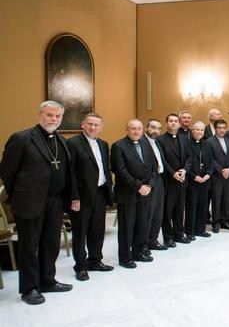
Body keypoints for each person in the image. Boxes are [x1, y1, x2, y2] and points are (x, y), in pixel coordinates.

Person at [0, 100, 75, 305]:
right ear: (40, 115)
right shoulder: (22, 138)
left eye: (57, 116)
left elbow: (67, 172)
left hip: (55, 201)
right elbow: (7, 172)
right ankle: (29, 288)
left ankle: (47, 280)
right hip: (29, 201)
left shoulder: (61, 140)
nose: (54, 119)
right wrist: (19, 195)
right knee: (29, 246)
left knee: (50, 244)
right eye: (50, 115)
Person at [66, 113, 114, 282]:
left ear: (101, 127)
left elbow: (105, 169)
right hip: (82, 196)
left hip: (100, 192)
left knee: (97, 230)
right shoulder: (72, 143)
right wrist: (74, 198)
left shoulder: (103, 144)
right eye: (90, 124)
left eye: (96, 125)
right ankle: (80, 266)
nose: (93, 127)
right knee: (80, 232)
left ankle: (95, 260)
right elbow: (69, 173)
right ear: (83, 125)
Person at [111, 119, 158, 269]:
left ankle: (139, 252)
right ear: (127, 129)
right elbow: (120, 171)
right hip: (128, 194)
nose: (136, 131)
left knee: (142, 224)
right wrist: (139, 186)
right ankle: (125, 257)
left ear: (143, 130)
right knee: (127, 227)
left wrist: (149, 184)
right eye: (133, 128)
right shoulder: (119, 146)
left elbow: (153, 167)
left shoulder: (145, 144)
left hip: (145, 192)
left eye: (139, 128)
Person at [158, 114, 192, 245]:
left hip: (182, 179)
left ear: (179, 124)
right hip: (168, 181)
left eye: (175, 121)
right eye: (170, 121)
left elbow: (190, 157)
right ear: (166, 124)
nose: (173, 123)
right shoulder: (160, 140)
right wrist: (173, 173)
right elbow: (161, 160)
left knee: (179, 209)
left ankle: (179, 234)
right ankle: (168, 237)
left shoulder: (184, 139)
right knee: (167, 211)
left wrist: (184, 170)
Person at [207, 119, 229, 232]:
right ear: (215, 128)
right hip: (217, 177)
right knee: (216, 200)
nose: (222, 130)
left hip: (228, 176)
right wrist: (221, 171)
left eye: (224, 127)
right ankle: (216, 223)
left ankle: (225, 221)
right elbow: (211, 159)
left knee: (226, 199)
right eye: (219, 127)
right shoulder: (209, 142)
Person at [144, 119, 170, 250]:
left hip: (160, 180)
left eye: (158, 128)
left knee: (158, 213)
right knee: (148, 214)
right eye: (153, 127)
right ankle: (143, 243)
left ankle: (153, 240)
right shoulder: (142, 143)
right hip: (149, 182)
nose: (156, 131)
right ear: (146, 128)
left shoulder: (157, 142)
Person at [186, 122, 213, 239]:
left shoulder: (206, 144)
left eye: (201, 130)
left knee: (203, 206)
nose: (199, 132)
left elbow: (211, 161)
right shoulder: (187, 144)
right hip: (193, 181)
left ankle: (200, 229)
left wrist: (208, 175)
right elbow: (186, 162)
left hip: (205, 180)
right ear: (192, 131)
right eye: (197, 130)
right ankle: (190, 231)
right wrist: (193, 176)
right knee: (192, 207)